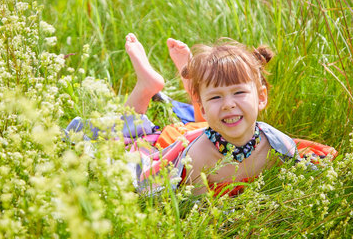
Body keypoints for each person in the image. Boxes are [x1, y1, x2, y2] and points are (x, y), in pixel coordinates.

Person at [122, 33, 298, 196]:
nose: (229, 104)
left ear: (261, 97)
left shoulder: (277, 147)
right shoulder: (198, 158)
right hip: (184, 138)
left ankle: (196, 86)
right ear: (203, 108)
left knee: (214, 117)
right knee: (121, 141)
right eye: (216, 96)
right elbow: (199, 211)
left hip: (203, 126)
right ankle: (145, 88)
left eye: (239, 93)